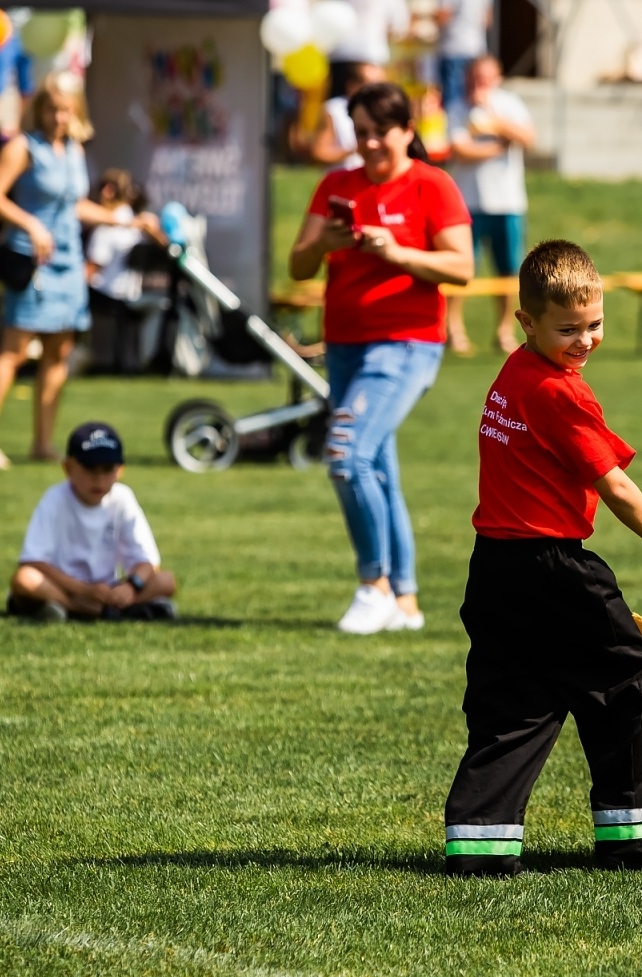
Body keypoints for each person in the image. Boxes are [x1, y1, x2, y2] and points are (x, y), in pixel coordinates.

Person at [442, 240, 642, 878]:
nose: (585, 341)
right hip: (551, 566)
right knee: (626, 674)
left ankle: (479, 844)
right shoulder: (562, 394)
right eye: (568, 329)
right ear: (526, 321)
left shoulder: (514, 373)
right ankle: (631, 838)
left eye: (595, 325)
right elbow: (614, 485)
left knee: (513, 698)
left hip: (493, 568)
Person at [288, 82, 474, 634]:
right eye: (360, 133)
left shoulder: (431, 185)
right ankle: (407, 601)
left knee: (346, 455)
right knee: (378, 467)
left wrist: (397, 253)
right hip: (345, 346)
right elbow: (299, 266)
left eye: (379, 133)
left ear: (407, 132)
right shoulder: (335, 185)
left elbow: (461, 267)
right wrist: (326, 244)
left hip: (406, 344)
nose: (368, 145)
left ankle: (374, 585)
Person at [0, 73, 142, 469]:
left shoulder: (75, 151)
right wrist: (29, 224)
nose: (59, 117)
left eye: (66, 109)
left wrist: (125, 221)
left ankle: (43, 442)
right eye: (52, 108)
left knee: (58, 354)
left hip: (68, 262)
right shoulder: (22, 148)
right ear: (39, 109)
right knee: (13, 350)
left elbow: (75, 206)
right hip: (32, 261)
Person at [8, 422, 178, 621]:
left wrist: (131, 587)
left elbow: (148, 561)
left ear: (120, 470)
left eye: (107, 470)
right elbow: (32, 561)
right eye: (90, 469)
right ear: (68, 467)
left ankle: (73, 610)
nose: (99, 479)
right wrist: (83, 590)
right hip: (63, 587)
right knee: (25, 579)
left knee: (166, 581)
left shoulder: (122, 498)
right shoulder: (55, 499)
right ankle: (96, 611)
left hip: (106, 590)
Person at [446, 54, 534, 356]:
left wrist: (496, 123)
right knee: (462, 269)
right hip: (467, 203)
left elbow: (528, 137)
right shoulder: (458, 108)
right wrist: (499, 144)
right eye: (473, 78)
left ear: (495, 78)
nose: (477, 85)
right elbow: (460, 150)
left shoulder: (509, 105)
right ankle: (453, 328)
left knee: (508, 271)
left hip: (507, 202)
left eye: (484, 78)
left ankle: (504, 330)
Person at [85, 168, 164, 375]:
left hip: (109, 294)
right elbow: (165, 245)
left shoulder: (107, 229)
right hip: (131, 293)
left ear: (108, 191)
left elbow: (91, 271)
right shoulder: (138, 223)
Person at [309, 62, 385, 169]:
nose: (376, 90)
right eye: (369, 84)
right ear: (352, 84)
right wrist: (355, 150)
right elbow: (320, 153)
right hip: (343, 180)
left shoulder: (384, 110)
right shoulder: (334, 110)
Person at [328, 0, 409, 90]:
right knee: (372, 99)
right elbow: (399, 26)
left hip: (340, 53)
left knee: (338, 100)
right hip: (371, 55)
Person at [436, 0, 490, 113]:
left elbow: (444, 16)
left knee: (453, 99)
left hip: (454, 48)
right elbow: (487, 18)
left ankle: (455, 127)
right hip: (476, 47)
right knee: (473, 96)